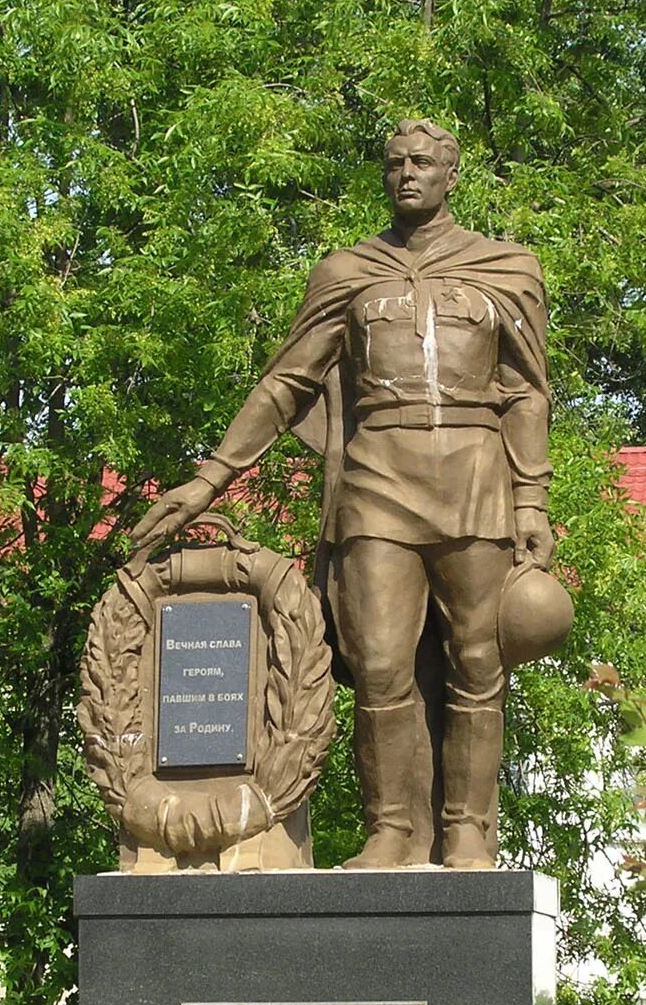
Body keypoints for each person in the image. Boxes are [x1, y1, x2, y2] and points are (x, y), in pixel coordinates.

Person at [134, 119, 553, 868]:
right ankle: (391, 828)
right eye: (394, 163)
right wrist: (208, 480)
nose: (407, 174)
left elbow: (527, 393)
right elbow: (285, 383)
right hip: (378, 480)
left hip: (476, 478)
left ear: (453, 175)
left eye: (423, 162)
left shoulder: (506, 268)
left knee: (477, 664)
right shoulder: (346, 272)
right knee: (381, 665)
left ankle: (468, 830)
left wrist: (532, 502)